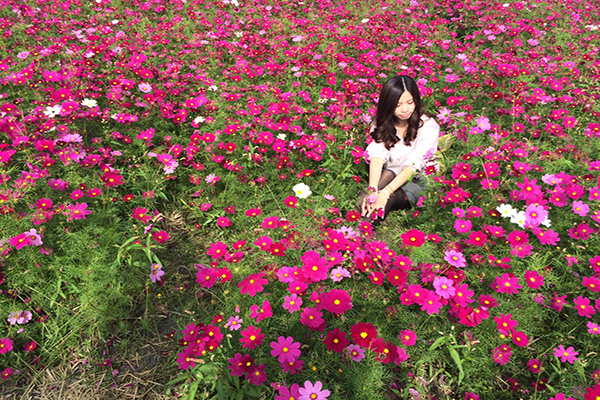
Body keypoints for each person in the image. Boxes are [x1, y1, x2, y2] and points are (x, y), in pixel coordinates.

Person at [358, 75, 440, 223]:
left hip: (420, 177)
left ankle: (360, 236)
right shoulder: (383, 122)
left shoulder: (428, 126)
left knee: (388, 200)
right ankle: (348, 230)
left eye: (410, 102)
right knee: (366, 198)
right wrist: (373, 190)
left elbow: (414, 164)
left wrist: (386, 193)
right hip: (393, 172)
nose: (405, 109)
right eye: (397, 105)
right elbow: (377, 153)